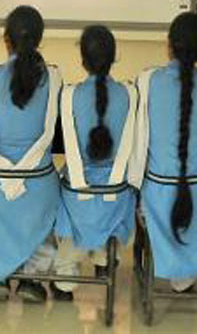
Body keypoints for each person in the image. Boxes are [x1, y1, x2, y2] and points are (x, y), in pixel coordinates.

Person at [132, 12, 197, 292]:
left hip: (158, 198)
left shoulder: (147, 80)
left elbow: (138, 145)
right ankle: (184, 277)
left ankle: (169, 268)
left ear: (169, 45)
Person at [0, 5, 62, 303]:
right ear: (39, 40)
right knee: (47, 193)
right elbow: (48, 136)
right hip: (37, 184)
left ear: (5, 40)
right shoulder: (53, 77)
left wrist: (1, 172)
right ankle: (32, 278)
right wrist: (23, 173)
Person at [52, 26, 138, 301]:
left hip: (76, 198)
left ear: (82, 59)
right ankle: (103, 260)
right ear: (114, 57)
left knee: (60, 183)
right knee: (120, 187)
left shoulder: (68, 95)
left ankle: (65, 278)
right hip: (118, 198)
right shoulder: (130, 94)